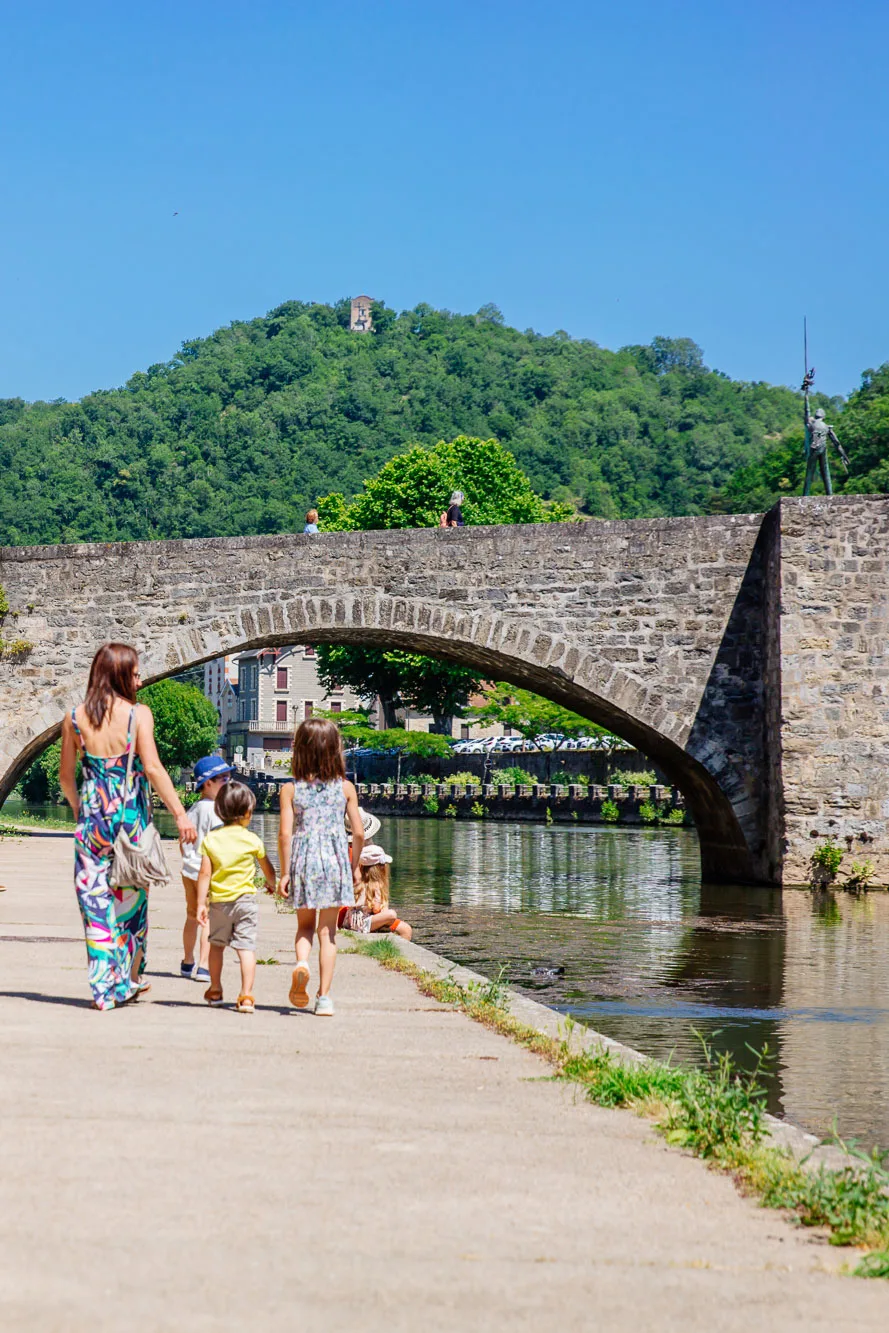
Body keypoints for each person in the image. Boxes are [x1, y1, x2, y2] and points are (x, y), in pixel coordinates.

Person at [59, 643, 197, 1010]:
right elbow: (152, 769)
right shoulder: (138, 716)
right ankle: (128, 980)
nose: (139, 679)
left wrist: (80, 810)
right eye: (134, 673)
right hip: (130, 822)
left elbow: (66, 779)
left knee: (95, 907)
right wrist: (181, 815)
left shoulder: (74, 718)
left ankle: (105, 990)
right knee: (130, 908)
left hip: (92, 822)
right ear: (120, 675)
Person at [277, 717, 364, 1016]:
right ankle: (324, 998)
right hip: (334, 861)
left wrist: (285, 872)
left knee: (304, 926)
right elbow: (359, 832)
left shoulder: (290, 790)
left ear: (299, 751)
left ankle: (301, 963)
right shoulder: (345, 788)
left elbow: (285, 834)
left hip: (303, 859)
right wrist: (354, 868)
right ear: (334, 751)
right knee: (328, 932)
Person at [196, 781, 276, 1014]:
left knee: (216, 947)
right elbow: (267, 868)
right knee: (246, 948)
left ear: (219, 810)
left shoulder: (211, 840)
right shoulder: (252, 839)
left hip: (220, 902)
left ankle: (216, 989)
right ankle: (247, 996)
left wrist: (202, 902)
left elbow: (204, 873)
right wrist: (273, 884)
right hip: (245, 902)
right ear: (248, 812)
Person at [179, 755, 232, 982]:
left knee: (192, 917)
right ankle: (203, 966)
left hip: (188, 871)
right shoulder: (216, 811)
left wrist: (188, 859)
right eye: (222, 779)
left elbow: (182, 842)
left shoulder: (193, 809)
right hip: (207, 873)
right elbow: (220, 844)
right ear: (207, 783)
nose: (227, 782)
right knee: (207, 918)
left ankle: (187, 960)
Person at [344, 843, 413, 939]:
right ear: (380, 868)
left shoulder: (358, 882)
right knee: (392, 915)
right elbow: (376, 909)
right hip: (362, 923)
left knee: (405, 928)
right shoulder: (376, 885)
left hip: (351, 921)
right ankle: (401, 952)